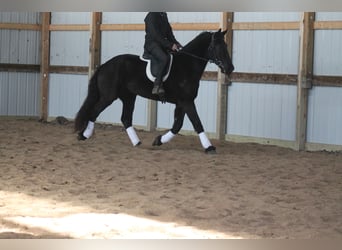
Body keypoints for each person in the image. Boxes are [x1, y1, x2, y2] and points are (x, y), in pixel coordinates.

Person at [144, 12, 182, 96]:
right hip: (152, 44)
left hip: (161, 44)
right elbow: (155, 35)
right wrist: (170, 45)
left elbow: (169, 33)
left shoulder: (163, 15)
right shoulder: (151, 15)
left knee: (177, 56)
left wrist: (176, 43)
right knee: (164, 58)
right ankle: (157, 84)